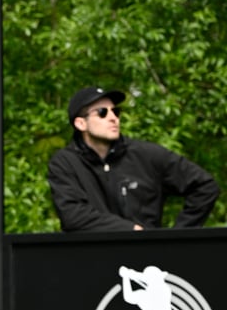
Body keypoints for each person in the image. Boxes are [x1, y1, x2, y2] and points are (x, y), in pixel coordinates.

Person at [47, 86, 219, 232]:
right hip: (92, 261)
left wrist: (176, 237)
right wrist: (130, 230)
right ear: (80, 124)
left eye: (116, 111)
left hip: (145, 262)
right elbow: (73, 215)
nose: (113, 117)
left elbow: (205, 187)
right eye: (102, 113)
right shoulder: (65, 163)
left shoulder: (147, 155)